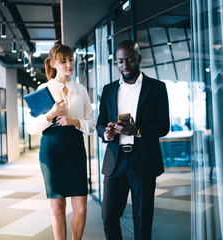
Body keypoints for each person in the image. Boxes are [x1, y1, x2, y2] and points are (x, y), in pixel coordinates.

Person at [96, 40, 170, 240]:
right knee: (108, 216)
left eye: (129, 60)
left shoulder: (157, 88)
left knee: (142, 220)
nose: (125, 65)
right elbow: (100, 122)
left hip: (143, 161)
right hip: (115, 161)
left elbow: (164, 126)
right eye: (120, 61)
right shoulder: (109, 90)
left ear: (138, 58)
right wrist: (108, 133)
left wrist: (137, 130)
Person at [25, 44, 95, 240]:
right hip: (52, 152)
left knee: (81, 208)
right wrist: (51, 114)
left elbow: (91, 124)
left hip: (75, 150)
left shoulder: (80, 90)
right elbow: (31, 128)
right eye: (63, 61)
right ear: (54, 64)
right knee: (57, 208)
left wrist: (74, 121)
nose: (69, 64)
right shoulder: (43, 89)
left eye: (71, 59)